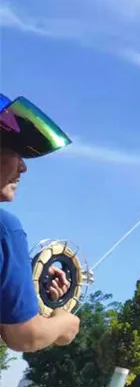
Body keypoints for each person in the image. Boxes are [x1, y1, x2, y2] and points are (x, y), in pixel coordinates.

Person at [0, 93, 80, 352]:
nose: (23, 168)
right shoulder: (5, 229)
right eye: (16, 152)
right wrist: (62, 323)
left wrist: (23, 275)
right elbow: (25, 336)